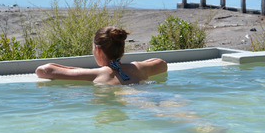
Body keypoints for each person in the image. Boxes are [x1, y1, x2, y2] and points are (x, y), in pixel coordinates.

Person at [35, 26, 167, 85]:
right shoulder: (138, 67)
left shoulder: (97, 74)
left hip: (134, 101)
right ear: (122, 49)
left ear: (98, 50)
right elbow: (162, 63)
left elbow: (43, 70)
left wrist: (80, 70)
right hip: (156, 97)